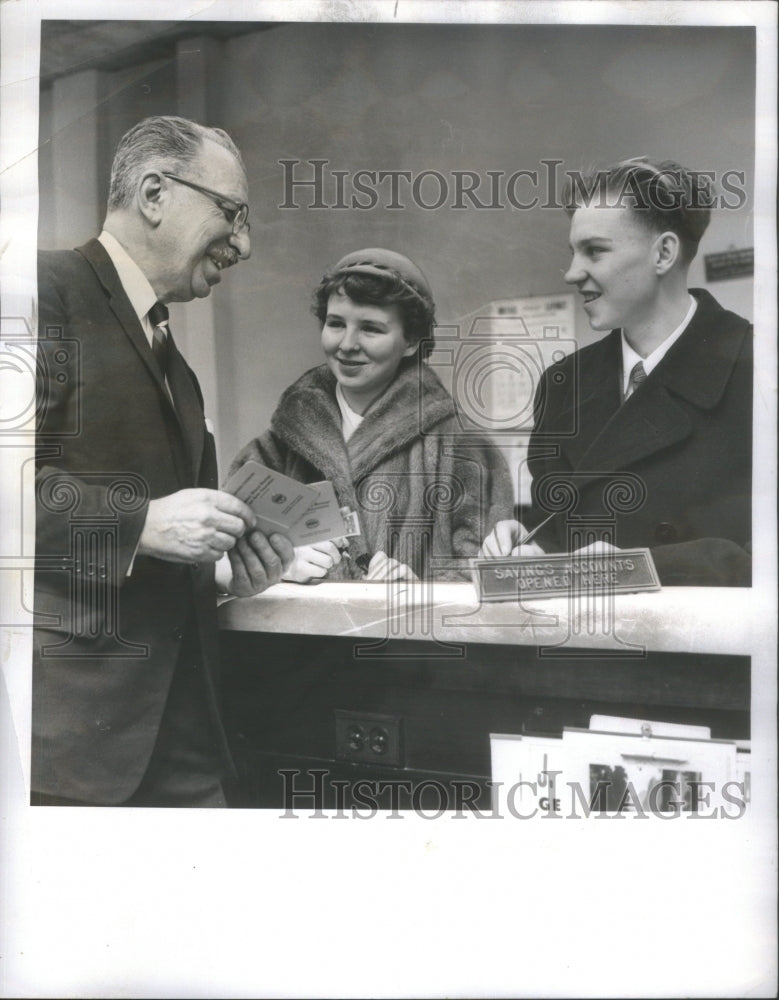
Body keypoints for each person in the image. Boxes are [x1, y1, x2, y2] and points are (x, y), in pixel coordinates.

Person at [33, 116, 294, 807]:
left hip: (184, 742)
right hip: (72, 750)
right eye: (232, 214)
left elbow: (171, 545)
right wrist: (140, 523)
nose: (244, 243)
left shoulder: (176, 366)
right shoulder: (41, 292)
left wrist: (228, 567)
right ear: (154, 193)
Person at [481, 157, 752, 586]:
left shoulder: (757, 372)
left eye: (595, 251)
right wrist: (531, 543)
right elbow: (559, 525)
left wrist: (639, 567)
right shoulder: (563, 384)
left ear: (663, 253)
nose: (572, 273)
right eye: (572, 252)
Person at [229, 248, 514, 583]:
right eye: (336, 324)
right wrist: (281, 565)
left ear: (410, 342)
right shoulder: (280, 443)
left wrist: (416, 588)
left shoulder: (463, 447)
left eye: (371, 329)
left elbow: (484, 573)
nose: (347, 344)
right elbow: (229, 549)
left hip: (406, 635)